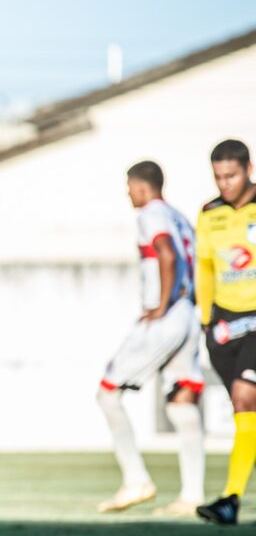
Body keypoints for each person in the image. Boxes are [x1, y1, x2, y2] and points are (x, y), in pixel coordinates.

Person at [92, 161, 205, 516]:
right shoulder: (180, 217)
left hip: (166, 316)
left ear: (142, 186)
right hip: (187, 311)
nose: (127, 193)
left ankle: (136, 479)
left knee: (107, 393)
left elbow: (165, 253)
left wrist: (160, 305)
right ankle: (192, 495)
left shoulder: (151, 214)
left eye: (129, 186)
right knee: (181, 401)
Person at [195, 139, 256, 525]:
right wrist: (205, 319)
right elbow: (205, 267)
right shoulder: (210, 213)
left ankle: (231, 498)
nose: (224, 184)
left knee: (244, 396)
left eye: (231, 176)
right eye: (218, 177)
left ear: (248, 169)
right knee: (246, 412)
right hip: (224, 325)